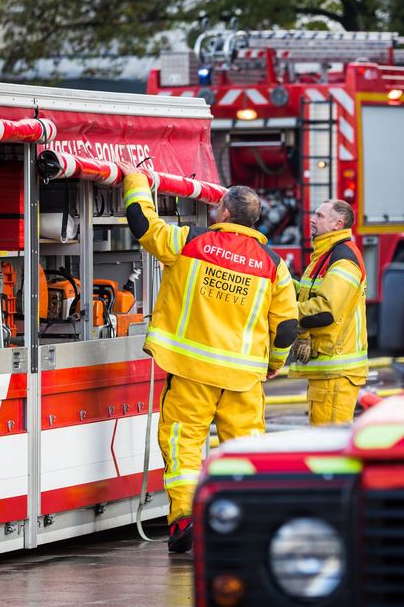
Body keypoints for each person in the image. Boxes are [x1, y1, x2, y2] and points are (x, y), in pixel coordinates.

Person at [120, 164, 298, 553]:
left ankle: (185, 518)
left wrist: (133, 179)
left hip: (191, 371)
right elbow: (286, 327)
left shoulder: (190, 242)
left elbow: (142, 224)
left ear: (225, 213)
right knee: (246, 447)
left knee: (184, 444)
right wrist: (274, 363)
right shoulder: (274, 266)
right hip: (244, 377)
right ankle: (250, 520)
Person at [289, 200, 368, 425]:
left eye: (319, 216)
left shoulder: (342, 260)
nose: (312, 220)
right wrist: (283, 285)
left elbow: (326, 311)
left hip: (336, 373)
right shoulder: (326, 255)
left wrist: (283, 311)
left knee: (328, 446)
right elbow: (308, 296)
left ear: (337, 224)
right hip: (329, 374)